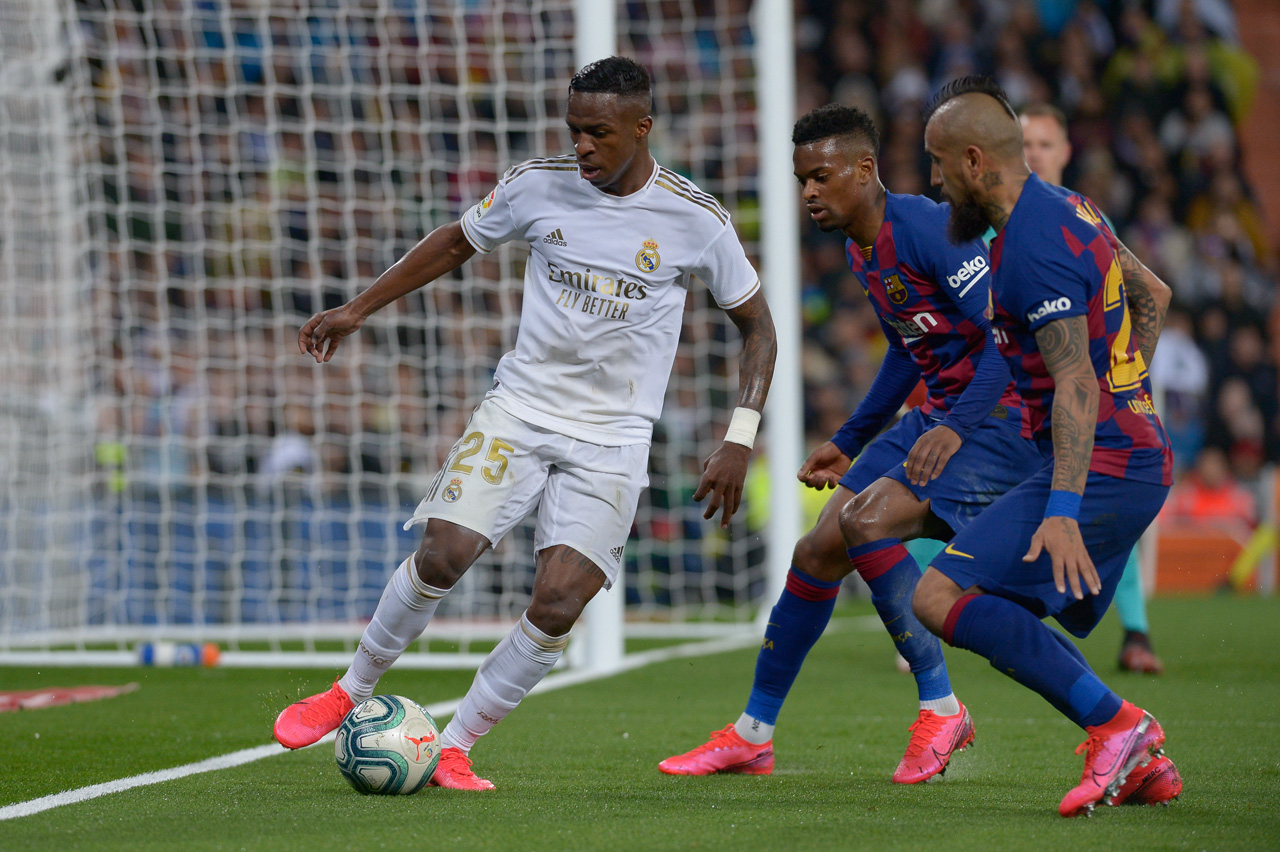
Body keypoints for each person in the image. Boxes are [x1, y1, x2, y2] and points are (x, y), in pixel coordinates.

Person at [272, 57, 777, 791]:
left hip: (614, 437)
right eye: (574, 130)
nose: (583, 147)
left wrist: (739, 437)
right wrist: (357, 308)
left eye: (599, 133)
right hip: (520, 409)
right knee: (445, 554)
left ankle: (455, 745)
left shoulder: (695, 218)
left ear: (642, 128)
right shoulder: (536, 184)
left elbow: (757, 328)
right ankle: (349, 689)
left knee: (559, 600)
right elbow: (455, 241)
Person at [659, 104, 1043, 784]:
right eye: (801, 178)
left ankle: (942, 708)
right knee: (817, 549)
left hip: (1002, 417)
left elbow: (1005, 337)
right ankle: (753, 734)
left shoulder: (928, 226)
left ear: (865, 171)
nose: (808, 192)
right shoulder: (860, 248)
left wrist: (954, 427)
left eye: (821, 177)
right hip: (941, 415)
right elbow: (907, 348)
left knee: (867, 523)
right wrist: (848, 439)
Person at [916, 76, 1181, 817]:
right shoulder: (1073, 208)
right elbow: (1151, 293)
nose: (934, 183)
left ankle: (1118, 727)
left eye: (938, 164)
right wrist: (1130, 392)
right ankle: (1139, 759)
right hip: (1131, 454)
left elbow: (1072, 384)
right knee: (1009, 605)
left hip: (1103, 466)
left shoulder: (1030, 249)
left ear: (974, 161)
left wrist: (1063, 504)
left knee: (939, 594)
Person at [1021, 103, 1165, 675]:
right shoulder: (990, 225)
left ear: (1065, 152)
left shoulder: (1083, 216)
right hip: (1020, 400)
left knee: (1093, 509)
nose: (1033, 153)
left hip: (1080, 401)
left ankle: (1135, 631)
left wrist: (1124, 387)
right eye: (1024, 142)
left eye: (1044, 144)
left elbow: (1149, 294)